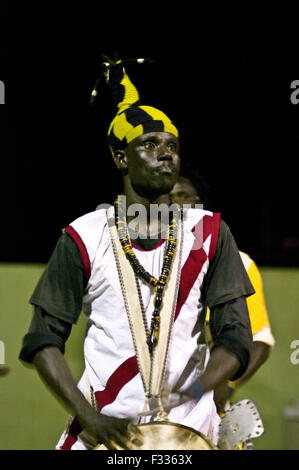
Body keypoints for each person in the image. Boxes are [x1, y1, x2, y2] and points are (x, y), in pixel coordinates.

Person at [19, 59, 254, 450]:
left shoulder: (209, 232)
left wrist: (197, 389)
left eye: (172, 146)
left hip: (190, 429)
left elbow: (236, 337)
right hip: (106, 429)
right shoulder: (84, 235)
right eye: (150, 144)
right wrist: (88, 416)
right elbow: (43, 339)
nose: (166, 154)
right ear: (121, 158)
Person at [171, 172, 275, 423]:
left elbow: (258, 342)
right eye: (167, 196)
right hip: (143, 408)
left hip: (206, 409)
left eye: (182, 195)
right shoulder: (140, 262)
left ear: (199, 205)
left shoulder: (237, 262)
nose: (173, 203)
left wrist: (224, 385)